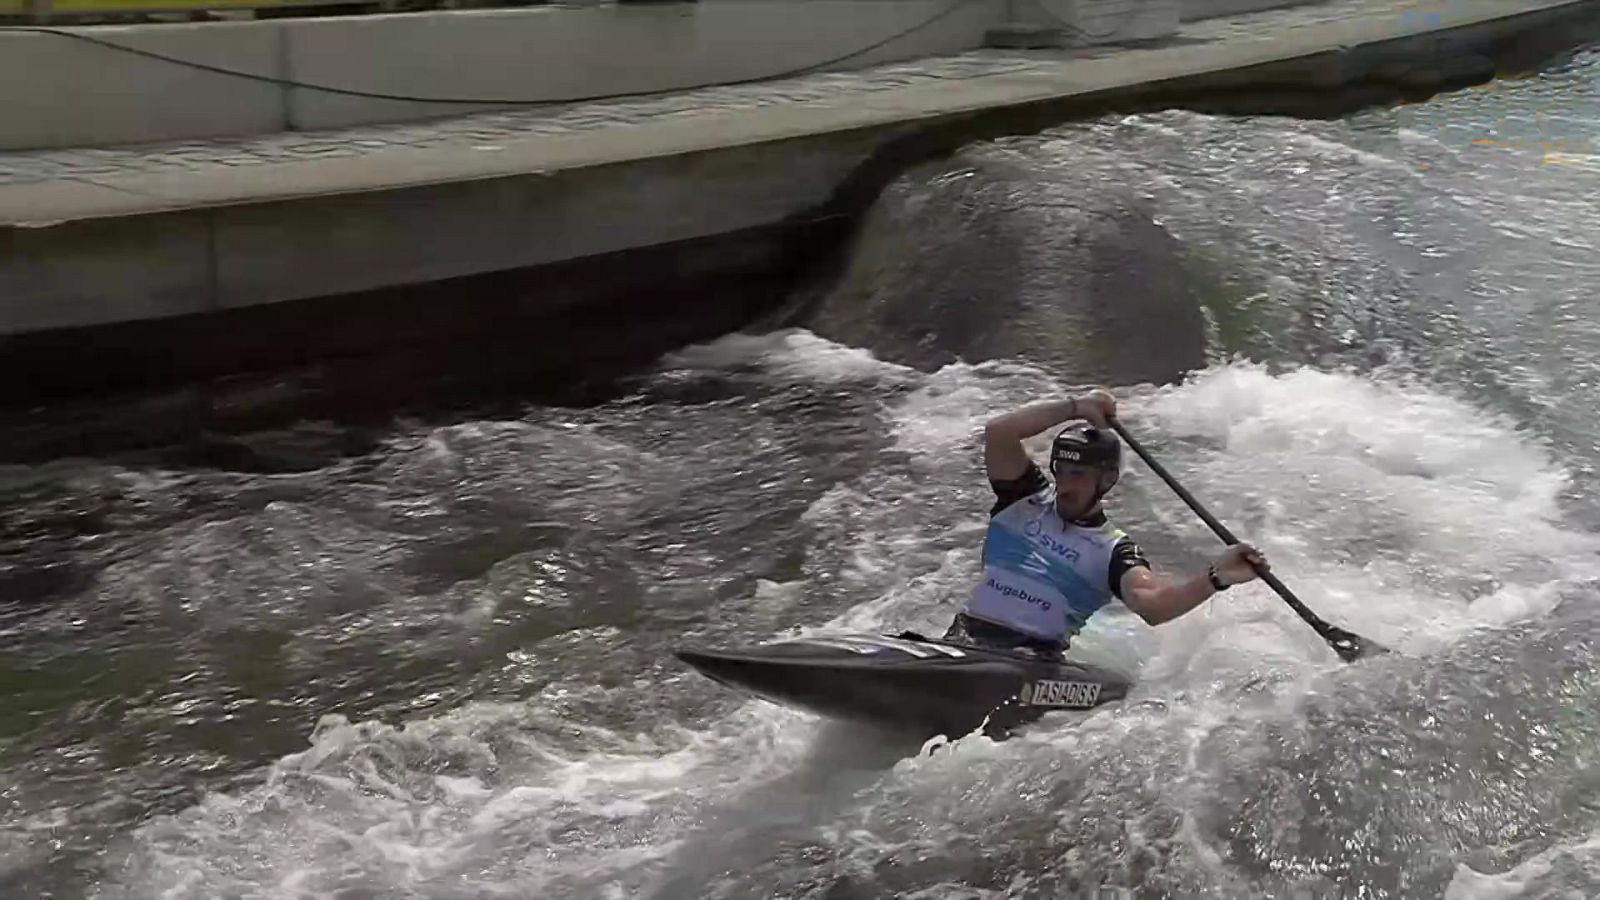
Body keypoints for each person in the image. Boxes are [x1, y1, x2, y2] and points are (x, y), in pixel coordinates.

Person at [943, 388, 1269, 657]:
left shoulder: (1115, 550)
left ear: (1107, 480)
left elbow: (1152, 606)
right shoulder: (1022, 500)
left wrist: (1217, 577)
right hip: (963, 640)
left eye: (1079, 475)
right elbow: (999, 433)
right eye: (1063, 471)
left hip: (1030, 657)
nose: (1066, 485)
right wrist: (1077, 407)